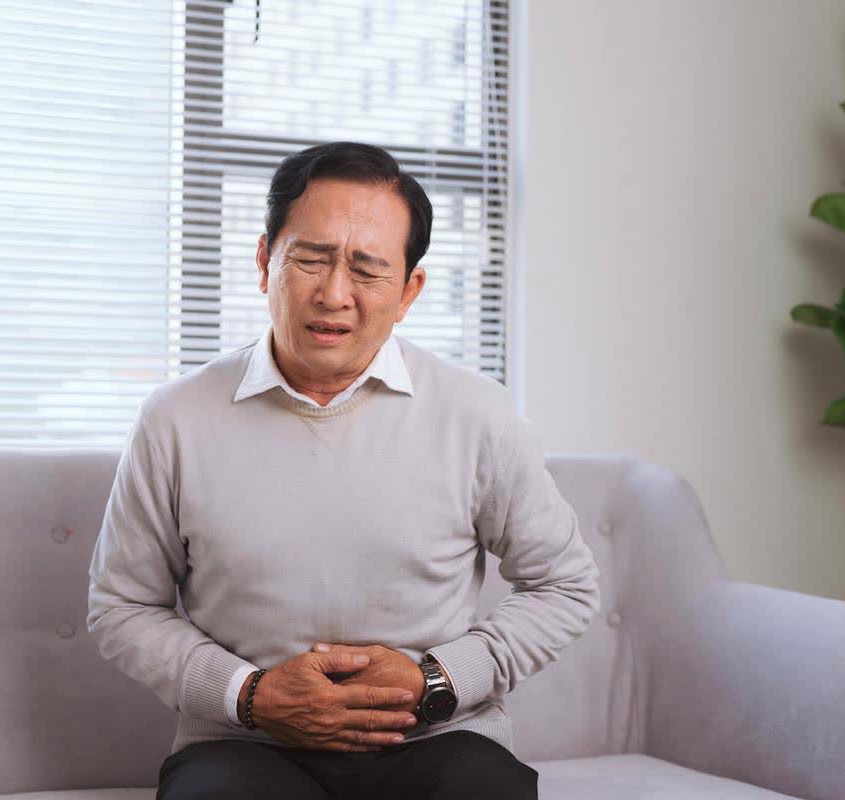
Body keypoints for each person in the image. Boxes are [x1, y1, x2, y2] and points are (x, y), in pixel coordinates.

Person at [87, 141, 601, 799]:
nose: (334, 294)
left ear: (408, 291)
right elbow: (123, 604)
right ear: (264, 261)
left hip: (435, 740)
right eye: (310, 259)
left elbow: (564, 584)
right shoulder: (174, 418)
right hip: (244, 745)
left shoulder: (477, 414)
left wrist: (438, 679)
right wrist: (249, 694)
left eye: (367, 269)